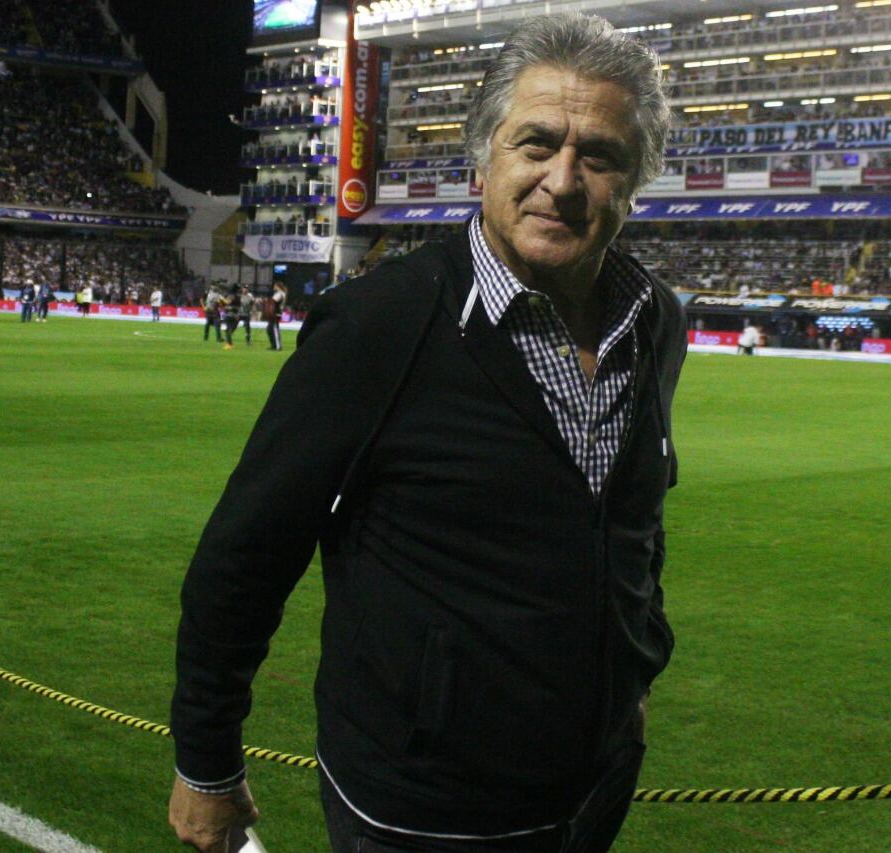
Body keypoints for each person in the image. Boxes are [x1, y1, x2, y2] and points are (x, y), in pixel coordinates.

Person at [169, 14, 685, 853]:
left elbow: (637, 523)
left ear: (636, 179)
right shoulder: (380, 324)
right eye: (536, 144)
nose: (563, 179)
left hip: (596, 781)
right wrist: (207, 764)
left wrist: (636, 660)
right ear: (483, 158)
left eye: (600, 155)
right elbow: (244, 555)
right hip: (421, 804)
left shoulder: (654, 320)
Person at [264, 282, 286, 350]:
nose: (274, 287)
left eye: (275, 286)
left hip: (276, 313)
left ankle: (278, 346)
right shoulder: (280, 293)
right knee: (269, 329)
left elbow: (273, 302)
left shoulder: (280, 294)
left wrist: (268, 304)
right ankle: (273, 345)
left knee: (274, 329)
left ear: (277, 286)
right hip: (275, 313)